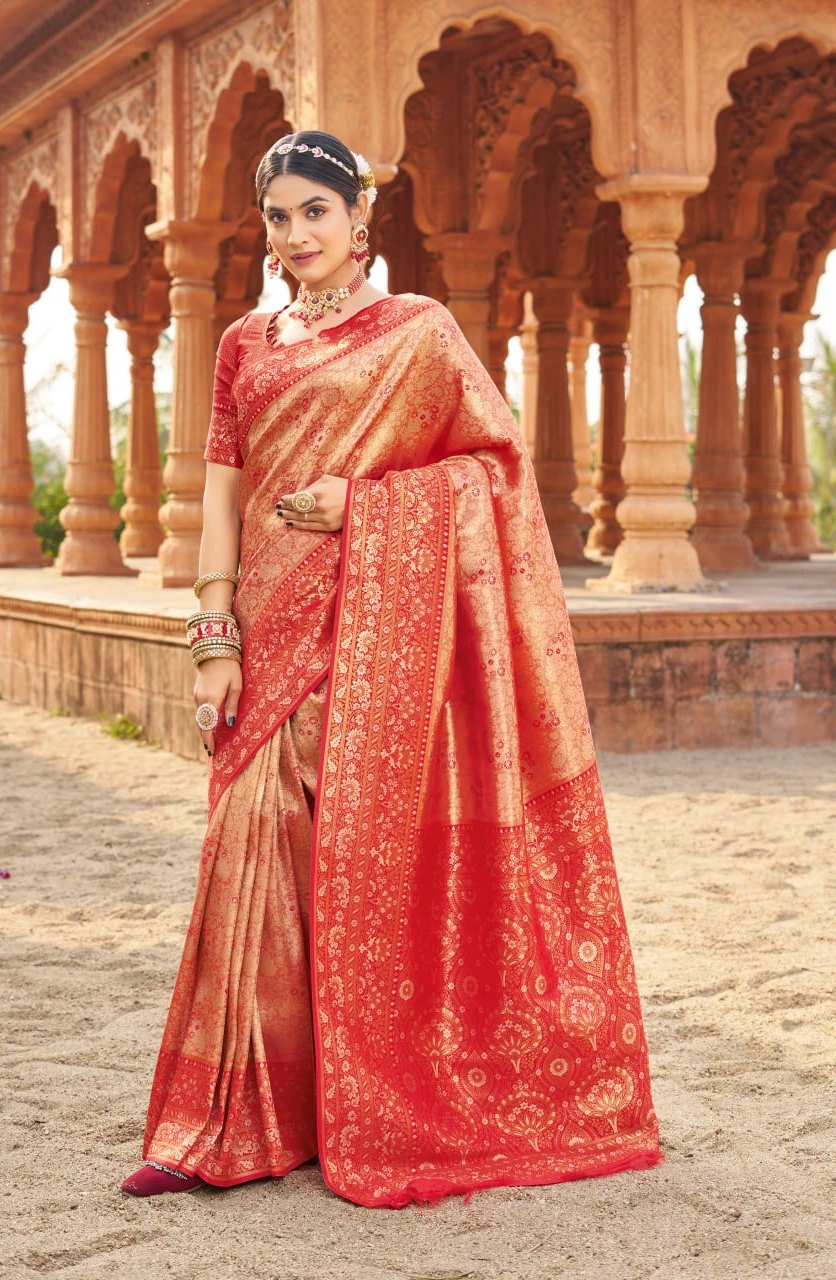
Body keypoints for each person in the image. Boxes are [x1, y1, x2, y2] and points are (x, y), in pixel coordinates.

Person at [121, 130, 662, 1209]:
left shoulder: (420, 334)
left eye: (315, 212)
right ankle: (222, 1124)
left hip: (380, 637)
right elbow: (220, 490)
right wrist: (215, 635)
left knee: (363, 868)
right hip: (269, 633)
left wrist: (366, 506)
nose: (295, 235)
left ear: (360, 219)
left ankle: (365, 1104)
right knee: (252, 852)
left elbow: (495, 475)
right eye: (278, 217)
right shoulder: (243, 342)